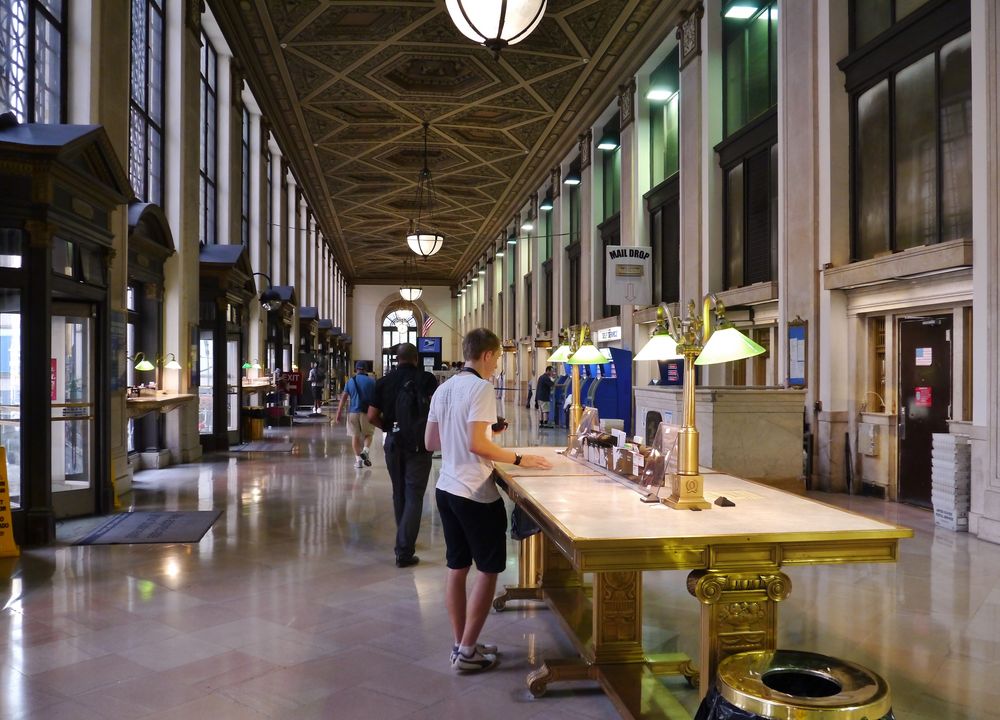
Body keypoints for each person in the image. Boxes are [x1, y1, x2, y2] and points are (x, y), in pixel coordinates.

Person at [424, 328, 552, 673]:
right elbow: (476, 446)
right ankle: (467, 652)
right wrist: (520, 458)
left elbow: (431, 442)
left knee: (456, 567)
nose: (497, 366)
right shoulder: (480, 387)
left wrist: (486, 433)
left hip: (447, 488)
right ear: (485, 356)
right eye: (497, 358)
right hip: (474, 492)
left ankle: (462, 642)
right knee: (488, 570)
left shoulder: (444, 387)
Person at [367, 343, 437, 567]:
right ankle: (404, 549)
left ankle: (403, 537)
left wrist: (387, 427)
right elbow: (435, 412)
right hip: (418, 444)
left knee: (399, 493)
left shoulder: (384, 382)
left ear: (397, 359)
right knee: (415, 494)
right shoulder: (427, 379)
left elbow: (371, 416)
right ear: (416, 358)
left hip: (394, 443)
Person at [336, 361, 375, 469]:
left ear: (356, 369)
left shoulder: (350, 381)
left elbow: (343, 398)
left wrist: (338, 413)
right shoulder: (372, 382)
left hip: (353, 412)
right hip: (366, 412)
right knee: (368, 434)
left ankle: (358, 462)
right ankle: (365, 450)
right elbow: (377, 398)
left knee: (355, 436)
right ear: (366, 369)